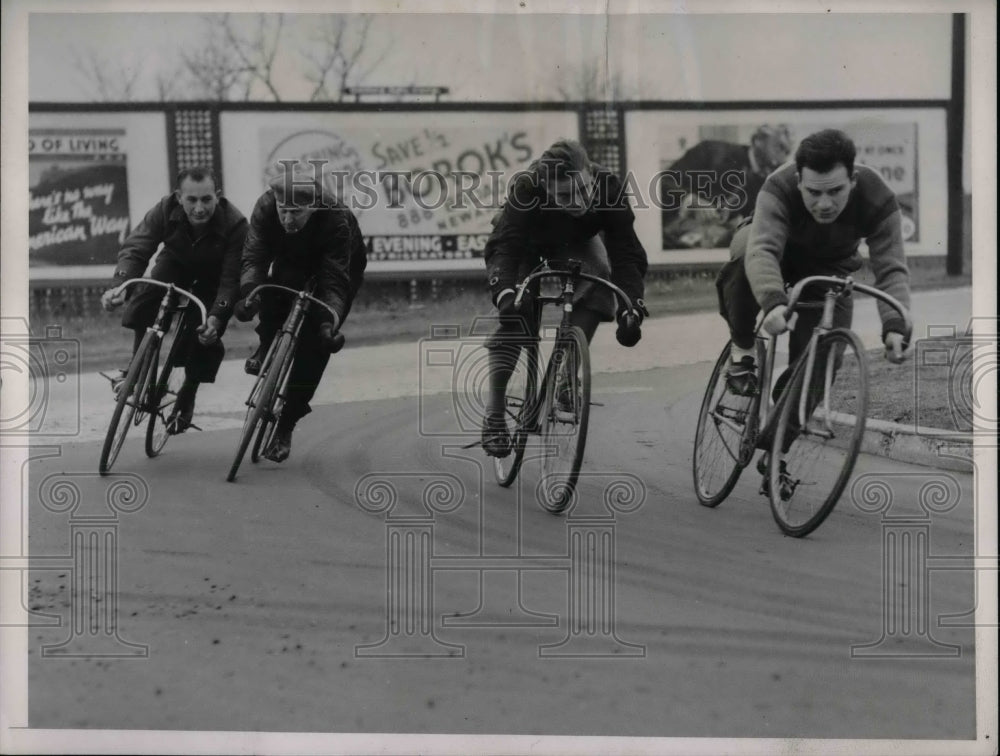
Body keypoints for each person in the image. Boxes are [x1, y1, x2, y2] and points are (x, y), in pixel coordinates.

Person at [715, 128, 911, 487]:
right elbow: (763, 251)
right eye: (813, 192)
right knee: (743, 254)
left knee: (823, 360)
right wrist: (772, 302)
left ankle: (775, 451)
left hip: (830, 267)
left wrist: (895, 324)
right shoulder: (779, 185)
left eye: (835, 191)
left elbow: (892, 268)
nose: (824, 204)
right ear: (798, 180)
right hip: (774, 251)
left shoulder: (877, 196)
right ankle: (742, 349)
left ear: (852, 180)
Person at [480, 139, 649, 457]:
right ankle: (495, 415)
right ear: (546, 188)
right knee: (517, 314)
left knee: (600, 275)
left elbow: (626, 253)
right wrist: (504, 293)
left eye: (583, 189)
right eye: (565, 195)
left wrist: (633, 306)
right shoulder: (527, 188)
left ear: (590, 173)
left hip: (575, 242)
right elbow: (507, 247)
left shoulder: (608, 186)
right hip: (525, 244)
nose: (579, 201)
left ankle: (567, 373)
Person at [233, 169, 367, 463]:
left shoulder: (335, 218)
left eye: (297, 212)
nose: (288, 220)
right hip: (292, 258)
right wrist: (250, 295)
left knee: (316, 345)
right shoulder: (266, 207)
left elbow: (334, 280)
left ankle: (285, 426)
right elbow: (254, 256)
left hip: (338, 265)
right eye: (284, 211)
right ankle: (267, 346)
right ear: (275, 203)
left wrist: (327, 323)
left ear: (315, 206)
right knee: (274, 290)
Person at [101, 167, 248, 433]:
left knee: (201, 331)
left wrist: (216, 317)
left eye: (206, 199)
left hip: (213, 278)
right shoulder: (164, 209)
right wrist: (119, 286)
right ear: (179, 197)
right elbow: (137, 247)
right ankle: (137, 369)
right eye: (192, 200)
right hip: (175, 263)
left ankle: (188, 393)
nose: (199, 208)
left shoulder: (236, 224)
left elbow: (230, 280)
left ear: (217, 196)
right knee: (147, 295)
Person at [661, 124, 792, 249]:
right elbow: (664, 181)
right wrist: (690, 200)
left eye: (787, 152)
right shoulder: (711, 151)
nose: (783, 159)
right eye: (779, 147)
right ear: (758, 140)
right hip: (670, 237)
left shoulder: (767, 181)